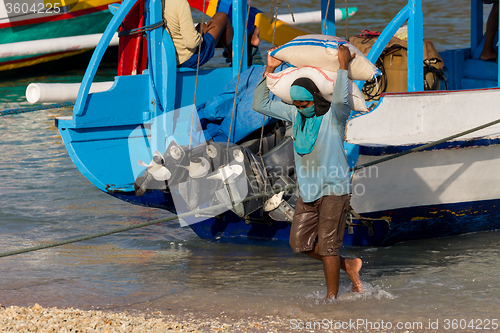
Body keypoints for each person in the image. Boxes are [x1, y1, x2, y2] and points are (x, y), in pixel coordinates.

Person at [252, 45, 362, 299]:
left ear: (316, 97)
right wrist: (270, 68)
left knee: (328, 247)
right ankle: (349, 265)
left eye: (306, 102)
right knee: (299, 243)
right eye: (298, 103)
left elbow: (340, 97)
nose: (302, 107)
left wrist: (343, 64)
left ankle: (331, 300)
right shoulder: (294, 113)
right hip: (308, 192)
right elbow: (260, 103)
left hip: (334, 189)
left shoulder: (334, 115)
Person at [164, 0, 260, 68]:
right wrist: (200, 32)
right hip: (189, 58)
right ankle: (234, 50)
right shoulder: (179, 3)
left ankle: (244, 41)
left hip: (165, 59)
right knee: (222, 17)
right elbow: (191, 43)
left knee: (217, 31)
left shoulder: (152, 4)